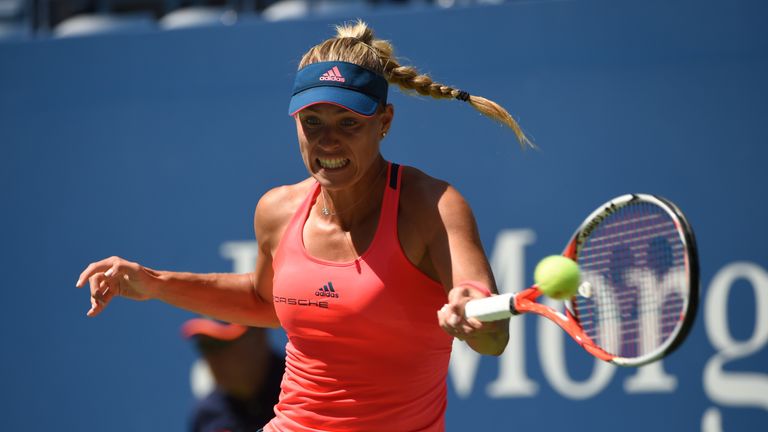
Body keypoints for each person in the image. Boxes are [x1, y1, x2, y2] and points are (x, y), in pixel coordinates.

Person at [76, 19, 531, 432]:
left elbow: (493, 336)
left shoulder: (432, 206)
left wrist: (471, 314)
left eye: (348, 122)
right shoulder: (276, 210)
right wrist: (152, 282)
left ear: (384, 123)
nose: (327, 140)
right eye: (312, 122)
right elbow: (263, 301)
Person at [181, 318, 284, 432]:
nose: (214, 357)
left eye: (221, 343)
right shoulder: (205, 417)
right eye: (206, 346)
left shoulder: (302, 387)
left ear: (259, 334)